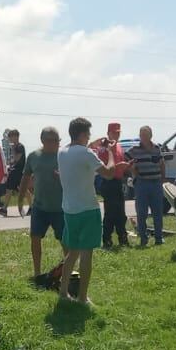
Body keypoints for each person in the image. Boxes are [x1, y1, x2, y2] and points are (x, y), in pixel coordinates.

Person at [58, 117, 118, 305]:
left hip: (69, 209)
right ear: (83, 134)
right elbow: (109, 173)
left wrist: (94, 144)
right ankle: (82, 297)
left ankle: (63, 292)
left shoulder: (62, 152)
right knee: (86, 254)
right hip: (88, 209)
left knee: (72, 253)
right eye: (88, 135)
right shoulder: (86, 154)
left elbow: (79, 149)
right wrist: (109, 153)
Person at [21, 126, 64, 280]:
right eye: (52, 140)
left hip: (60, 208)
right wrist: (20, 201)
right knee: (35, 238)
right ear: (43, 140)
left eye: (57, 140)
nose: (56, 144)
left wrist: (62, 178)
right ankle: (37, 273)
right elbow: (25, 178)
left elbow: (73, 181)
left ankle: (68, 272)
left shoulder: (63, 156)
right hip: (39, 207)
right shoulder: (33, 156)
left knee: (65, 241)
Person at [127, 125, 167, 248]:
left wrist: (162, 179)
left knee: (158, 212)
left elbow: (162, 164)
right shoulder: (134, 150)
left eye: (146, 134)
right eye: (142, 135)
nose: (144, 137)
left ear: (151, 135)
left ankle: (159, 238)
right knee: (142, 213)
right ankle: (143, 238)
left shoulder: (157, 148)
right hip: (142, 184)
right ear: (140, 136)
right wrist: (133, 172)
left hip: (156, 183)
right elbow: (126, 162)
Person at [92, 122, 128, 249]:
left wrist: (125, 167)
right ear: (108, 133)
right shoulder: (103, 148)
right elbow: (103, 167)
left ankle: (122, 238)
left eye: (118, 133)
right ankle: (107, 239)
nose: (116, 135)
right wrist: (118, 167)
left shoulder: (119, 147)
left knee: (120, 212)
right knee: (110, 213)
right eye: (114, 132)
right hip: (108, 181)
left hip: (118, 181)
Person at [0, 128, 28, 217]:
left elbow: (17, 159)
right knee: (23, 189)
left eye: (10, 137)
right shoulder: (16, 146)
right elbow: (15, 160)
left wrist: (13, 150)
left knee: (9, 189)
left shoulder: (19, 146)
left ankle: (4, 209)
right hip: (17, 170)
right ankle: (32, 207)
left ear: (15, 137)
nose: (9, 139)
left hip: (17, 171)